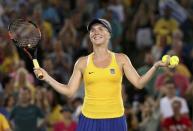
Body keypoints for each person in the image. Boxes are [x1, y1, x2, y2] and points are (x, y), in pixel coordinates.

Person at [34, 18, 168, 131]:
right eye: (92, 30)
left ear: (109, 34)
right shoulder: (82, 62)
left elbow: (139, 83)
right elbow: (69, 91)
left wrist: (155, 66)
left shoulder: (121, 59)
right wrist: (47, 77)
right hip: (89, 120)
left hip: (115, 119)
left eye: (100, 29)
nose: (95, 32)